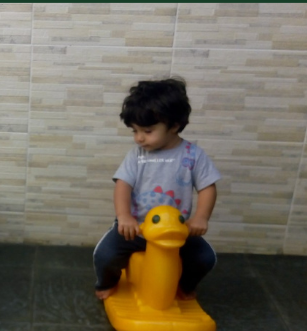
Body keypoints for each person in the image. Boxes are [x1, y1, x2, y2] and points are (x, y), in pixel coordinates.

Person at [94, 77, 220, 302]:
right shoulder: (137, 155)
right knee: (105, 255)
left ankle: (184, 284)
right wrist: (124, 217)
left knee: (205, 258)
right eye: (134, 131)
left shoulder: (193, 155)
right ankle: (108, 282)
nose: (139, 138)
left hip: (176, 231)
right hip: (136, 228)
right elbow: (123, 184)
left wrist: (201, 217)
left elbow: (208, 187)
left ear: (174, 126)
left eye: (147, 131)